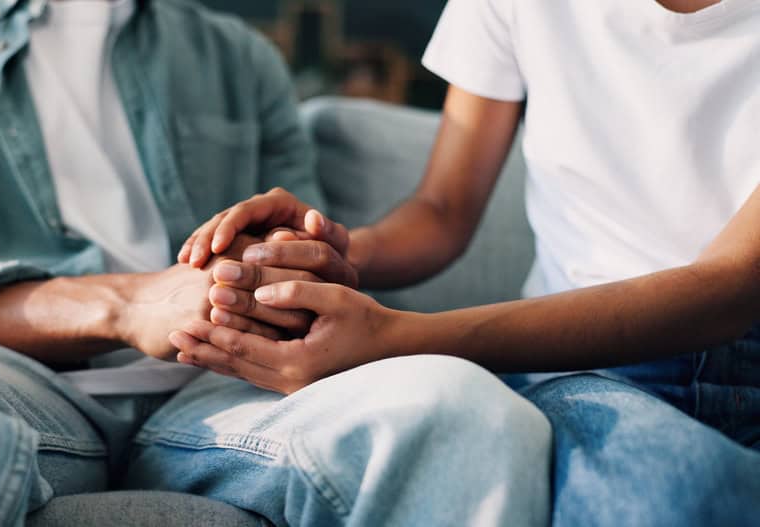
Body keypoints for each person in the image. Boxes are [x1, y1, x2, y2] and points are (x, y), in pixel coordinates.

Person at [0, 0, 552, 525]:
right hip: (11, 392)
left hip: (224, 393)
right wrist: (129, 305)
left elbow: (313, 278)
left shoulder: (237, 56)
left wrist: (274, 273)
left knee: (473, 412)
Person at [172, 0, 760, 524]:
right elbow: (443, 210)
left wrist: (397, 337)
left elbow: (731, 289)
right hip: (589, 367)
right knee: (680, 493)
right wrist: (329, 253)